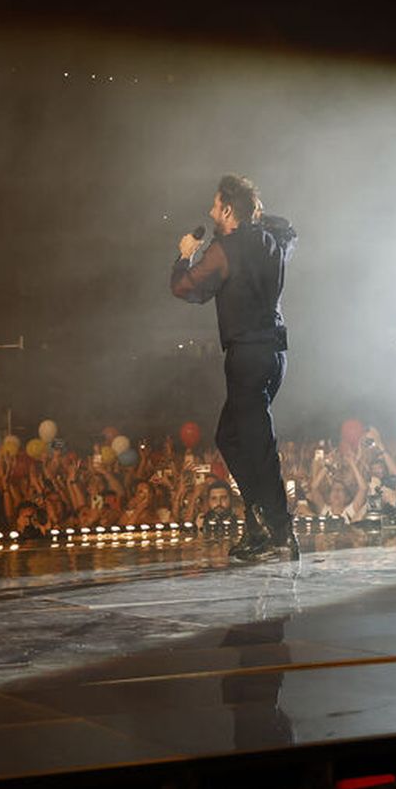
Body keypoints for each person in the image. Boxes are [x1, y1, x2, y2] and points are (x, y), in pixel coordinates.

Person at [172, 174, 298, 560]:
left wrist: (184, 255)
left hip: (246, 355)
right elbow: (288, 229)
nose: (210, 212)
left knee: (258, 445)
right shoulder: (273, 242)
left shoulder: (223, 250)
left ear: (228, 209)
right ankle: (259, 522)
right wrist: (254, 214)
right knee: (230, 436)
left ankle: (277, 530)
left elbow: (186, 288)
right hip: (274, 355)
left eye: (215, 205)